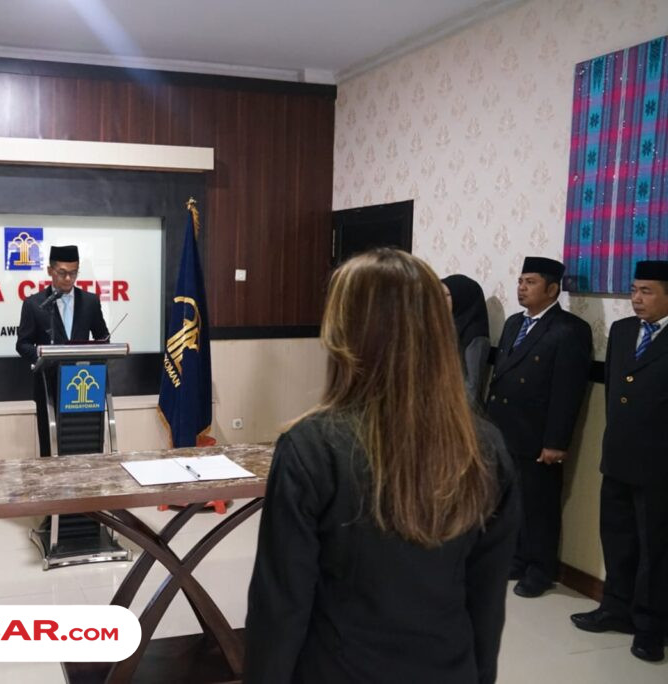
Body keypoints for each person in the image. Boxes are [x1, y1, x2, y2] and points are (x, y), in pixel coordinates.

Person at [245, 248, 519, 684]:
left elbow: (280, 608)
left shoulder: (311, 447)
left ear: (344, 335)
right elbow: (486, 605)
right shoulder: (485, 446)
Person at [570, 260, 668, 663]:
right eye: (633, 290)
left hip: (658, 464)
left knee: (655, 549)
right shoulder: (624, 330)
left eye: (646, 291)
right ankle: (615, 607)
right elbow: (613, 387)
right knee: (617, 536)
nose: (636, 299)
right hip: (618, 455)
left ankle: (650, 627)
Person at [485, 256, 592, 598]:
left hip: (537, 434)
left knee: (539, 506)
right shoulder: (515, 323)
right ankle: (517, 559)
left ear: (552, 289)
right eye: (520, 281)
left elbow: (567, 392)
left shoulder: (569, 330)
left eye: (530, 282)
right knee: (510, 501)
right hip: (505, 428)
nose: (521, 288)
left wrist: (556, 441)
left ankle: (540, 570)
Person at [15, 245, 109, 456]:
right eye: (62, 273)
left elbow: (103, 336)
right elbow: (22, 344)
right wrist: (42, 355)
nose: (68, 279)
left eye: (73, 273)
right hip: (49, 387)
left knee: (85, 448)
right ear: (50, 271)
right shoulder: (34, 304)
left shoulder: (90, 302)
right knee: (51, 449)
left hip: (84, 388)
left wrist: (100, 349)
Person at [442, 274, 491, 406]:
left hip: (459, 409)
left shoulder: (475, 335)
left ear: (462, 298)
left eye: (446, 295)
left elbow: (471, 387)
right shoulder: (447, 327)